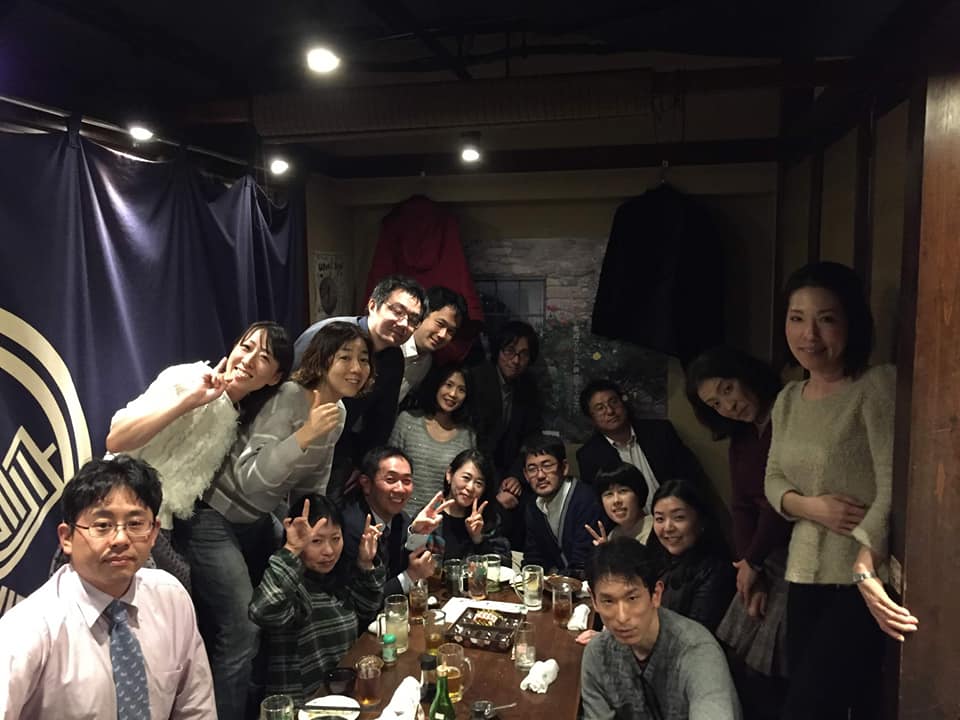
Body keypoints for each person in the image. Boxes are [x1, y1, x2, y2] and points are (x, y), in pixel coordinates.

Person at [190, 322, 373, 720]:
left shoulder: (338, 412)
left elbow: (313, 482)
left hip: (258, 517)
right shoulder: (290, 396)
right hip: (215, 514)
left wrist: (315, 531)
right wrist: (305, 434)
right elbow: (250, 481)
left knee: (296, 590)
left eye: (363, 359)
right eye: (345, 357)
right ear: (322, 360)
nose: (357, 367)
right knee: (242, 629)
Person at [765, 261, 918, 719]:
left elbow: (895, 486)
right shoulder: (788, 398)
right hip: (801, 576)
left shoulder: (876, 386)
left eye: (826, 319)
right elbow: (773, 479)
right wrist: (811, 507)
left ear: (853, 323)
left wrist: (866, 565)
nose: (809, 334)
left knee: (808, 710)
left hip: (858, 582)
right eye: (797, 318)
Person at [0, 456, 216, 719]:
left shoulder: (171, 598)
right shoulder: (29, 628)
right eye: (102, 526)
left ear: (153, 532)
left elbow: (196, 709)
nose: (121, 539)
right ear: (67, 538)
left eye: (135, 524)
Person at [104, 320, 290, 592]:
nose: (248, 360)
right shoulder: (189, 378)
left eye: (264, 357)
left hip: (161, 524)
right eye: (246, 347)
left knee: (172, 599)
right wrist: (190, 400)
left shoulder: (238, 422)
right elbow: (117, 439)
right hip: (119, 501)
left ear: (274, 377)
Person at [687, 346, 792, 683]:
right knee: (730, 655)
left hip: (796, 546)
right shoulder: (742, 437)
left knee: (764, 666)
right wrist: (747, 563)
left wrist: (753, 563)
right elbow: (742, 505)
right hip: (762, 553)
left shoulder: (789, 411)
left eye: (728, 389)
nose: (728, 406)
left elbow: (780, 501)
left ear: (746, 375)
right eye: (715, 404)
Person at [294, 275, 426, 504]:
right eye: (397, 311)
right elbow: (290, 387)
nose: (404, 323)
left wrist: (364, 465)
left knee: (321, 514)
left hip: (337, 447)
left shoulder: (393, 358)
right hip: (295, 435)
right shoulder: (330, 335)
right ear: (373, 305)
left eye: (413, 319)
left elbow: (381, 420)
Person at [580, 537, 742, 720]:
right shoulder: (598, 654)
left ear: (656, 594)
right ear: (594, 601)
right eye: (608, 601)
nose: (622, 617)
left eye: (632, 598)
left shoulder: (697, 652)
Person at [249, 495, 385, 703]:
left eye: (335, 538)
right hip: (301, 707)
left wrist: (365, 563)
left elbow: (368, 608)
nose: (328, 551)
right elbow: (262, 610)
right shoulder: (292, 587)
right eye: (316, 541)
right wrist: (291, 551)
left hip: (342, 699)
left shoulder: (335, 579)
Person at [576, 378, 712, 514]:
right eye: (600, 408)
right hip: (629, 525)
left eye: (614, 402)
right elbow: (597, 504)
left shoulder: (660, 432)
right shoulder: (589, 456)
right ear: (591, 418)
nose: (610, 411)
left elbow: (691, 477)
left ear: (623, 402)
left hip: (678, 515)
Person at [341, 447, 453, 610]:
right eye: (391, 479)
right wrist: (411, 576)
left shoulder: (402, 519)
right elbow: (367, 601)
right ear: (366, 484)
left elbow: (407, 567)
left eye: (406, 481)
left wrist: (418, 534)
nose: (400, 489)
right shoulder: (352, 527)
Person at [471, 320, 544, 549]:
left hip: (509, 469)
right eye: (509, 351)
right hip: (477, 467)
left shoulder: (528, 386)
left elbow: (531, 437)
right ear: (498, 350)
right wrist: (495, 486)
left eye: (523, 354)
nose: (516, 360)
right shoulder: (477, 379)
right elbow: (476, 439)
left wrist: (515, 476)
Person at [647, 479, 735, 633]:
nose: (667, 528)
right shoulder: (657, 559)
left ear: (701, 520)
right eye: (660, 519)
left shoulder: (715, 571)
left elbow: (695, 634)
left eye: (679, 517)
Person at [389, 363, 477, 512]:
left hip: (441, 519)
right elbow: (387, 471)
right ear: (436, 384)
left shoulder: (467, 435)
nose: (453, 394)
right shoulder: (407, 420)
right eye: (448, 385)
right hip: (399, 513)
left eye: (461, 390)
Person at [520, 435, 607, 578]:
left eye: (547, 466)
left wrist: (553, 578)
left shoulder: (585, 500)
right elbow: (533, 557)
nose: (540, 475)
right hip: (553, 583)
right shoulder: (533, 505)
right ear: (525, 474)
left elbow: (582, 564)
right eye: (532, 469)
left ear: (564, 467)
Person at [419, 448, 511, 567]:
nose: (470, 487)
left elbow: (505, 565)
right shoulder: (428, 516)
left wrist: (478, 539)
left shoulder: (488, 519)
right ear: (449, 474)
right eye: (466, 478)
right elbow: (409, 561)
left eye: (479, 483)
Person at [398, 285, 468, 405]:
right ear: (422, 315)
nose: (442, 335)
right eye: (440, 324)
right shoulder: (393, 342)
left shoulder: (427, 362)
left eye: (451, 331)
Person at [585, 462, 653, 546]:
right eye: (609, 494)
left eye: (623, 491)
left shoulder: (656, 529)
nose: (616, 500)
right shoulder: (613, 536)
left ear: (639, 493)